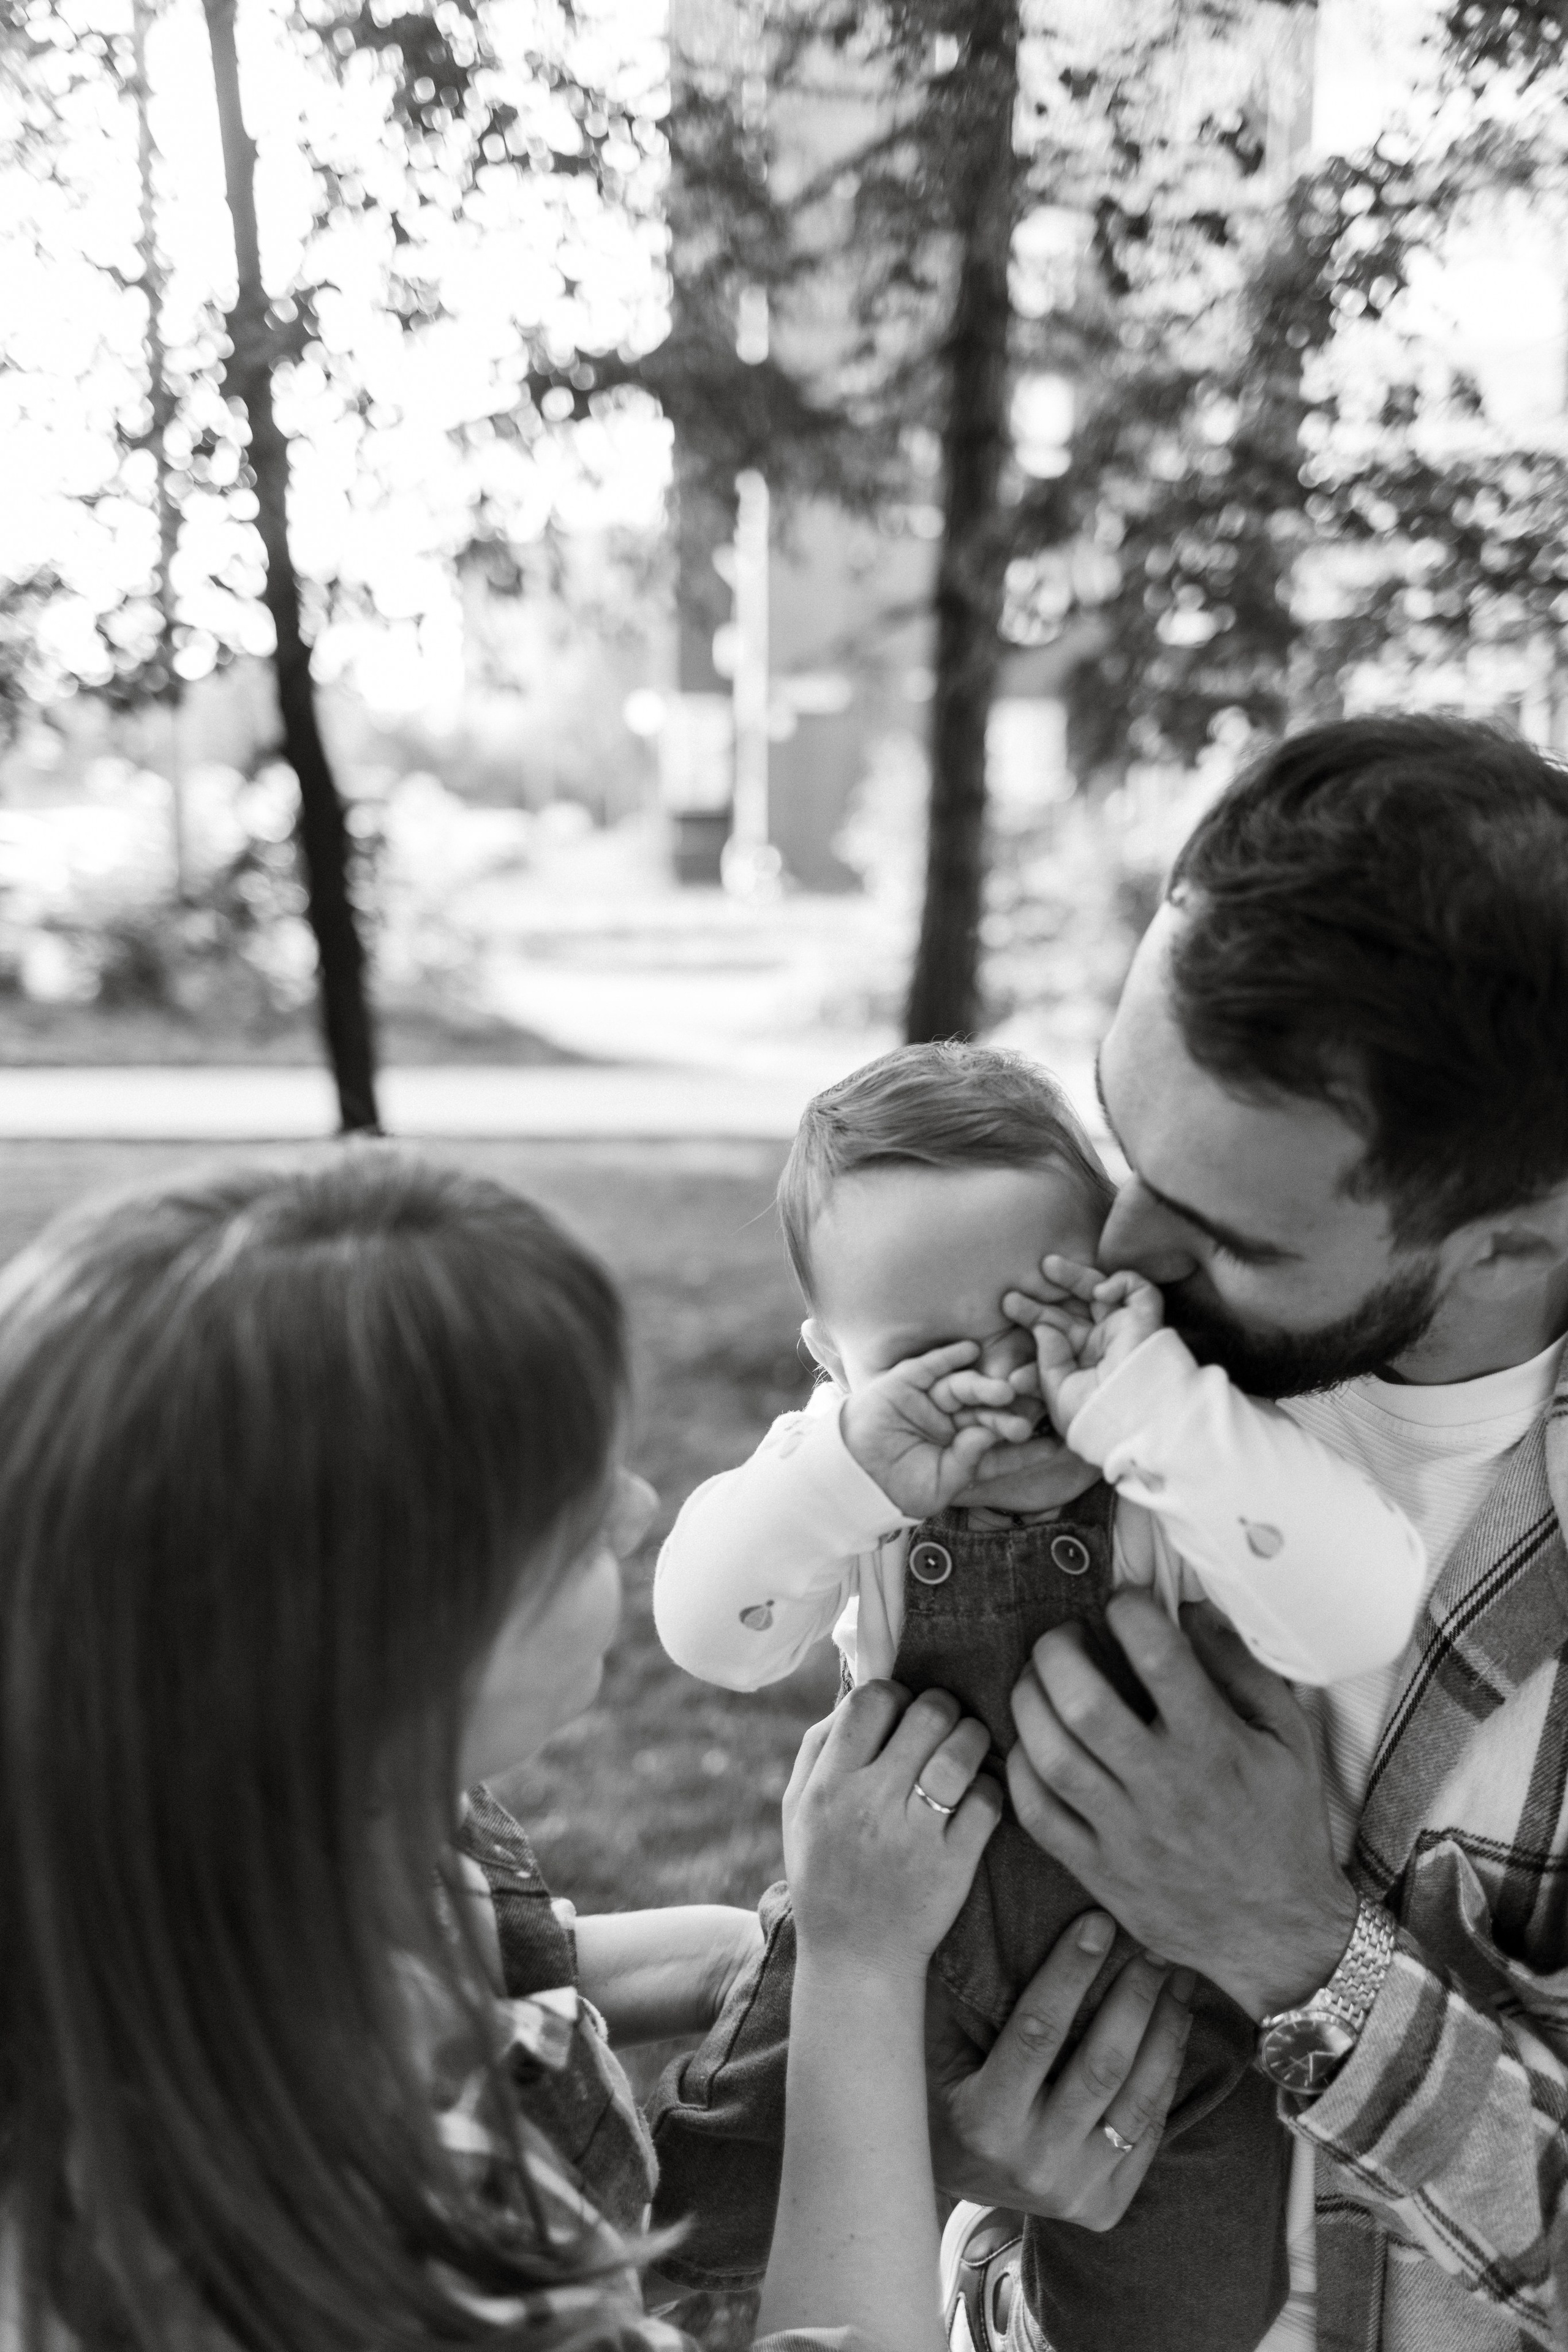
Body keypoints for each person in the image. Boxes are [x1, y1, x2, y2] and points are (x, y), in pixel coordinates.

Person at [0, 1143, 1012, 2352]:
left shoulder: (236, 1841)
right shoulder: (379, 2224)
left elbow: (469, 1976)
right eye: (577, 1514)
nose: (638, 1508)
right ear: (389, 1647)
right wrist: (856, 1975)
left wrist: (723, 1962)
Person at [930, 715, 1568, 2351]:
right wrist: (954, 2141)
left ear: (1513, 1243)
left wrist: (1293, 1949)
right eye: (1124, 1139)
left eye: (1234, 1233)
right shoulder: (1063, 1410)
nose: (1123, 1249)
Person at [648, 1041, 1426, 2352]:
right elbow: (706, 1636)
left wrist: (1152, 1408)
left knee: (1190, 2315)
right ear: (827, 1361)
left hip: (1164, 2003)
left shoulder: (1181, 1461)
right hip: (882, 1948)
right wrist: (844, 1469)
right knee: (673, 2220)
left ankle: (1001, 2307)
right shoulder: (837, 1465)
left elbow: (1359, 1606)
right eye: (923, 1355)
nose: (1000, 1394)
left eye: (1040, 1324)